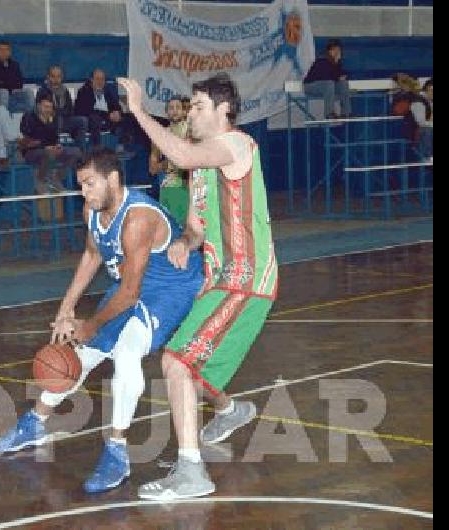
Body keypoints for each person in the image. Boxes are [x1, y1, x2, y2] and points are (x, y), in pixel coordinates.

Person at [0, 147, 205, 494]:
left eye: (89, 184)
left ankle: (117, 450)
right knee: (81, 354)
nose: (83, 192)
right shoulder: (93, 210)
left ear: (113, 179)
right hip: (134, 283)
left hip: (170, 287)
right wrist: (65, 310)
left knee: (127, 352)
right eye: (81, 185)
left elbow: (131, 293)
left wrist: (89, 325)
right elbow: (91, 255)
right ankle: (35, 423)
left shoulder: (138, 219)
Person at [118, 73, 278, 500]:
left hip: (245, 278)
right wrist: (186, 244)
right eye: (189, 106)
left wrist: (137, 110)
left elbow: (183, 154)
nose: (191, 113)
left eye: (198, 106)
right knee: (192, 360)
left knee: (176, 362)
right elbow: (196, 226)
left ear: (224, 111)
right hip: (217, 278)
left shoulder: (237, 145)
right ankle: (230, 409)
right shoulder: (204, 172)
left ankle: (192, 472)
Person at [19, 95, 82, 193]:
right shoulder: (28, 117)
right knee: (50, 153)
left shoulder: (54, 119)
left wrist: (57, 145)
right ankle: (40, 180)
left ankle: (57, 177)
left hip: (50, 150)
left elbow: (54, 138)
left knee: (76, 152)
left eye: (50, 107)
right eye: (45, 107)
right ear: (39, 106)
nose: (48, 110)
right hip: (31, 152)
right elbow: (26, 140)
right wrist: (45, 147)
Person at [149, 96, 192, 226]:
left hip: (191, 186)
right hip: (170, 188)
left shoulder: (193, 132)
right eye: (171, 108)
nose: (174, 111)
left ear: (184, 111)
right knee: (171, 231)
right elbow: (152, 169)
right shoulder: (160, 135)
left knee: (191, 232)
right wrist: (169, 163)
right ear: (166, 113)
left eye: (178, 107)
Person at [36, 65, 88, 148]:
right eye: (53, 76)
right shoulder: (43, 91)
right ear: (48, 77)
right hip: (50, 122)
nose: (56, 80)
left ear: (62, 77)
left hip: (64, 120)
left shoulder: (65, 90)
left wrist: (57, 111)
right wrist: (57, 112)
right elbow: (42, 112)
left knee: (82, 121)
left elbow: (70, 110)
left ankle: (80, 151)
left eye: (58, 76)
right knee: (52, 120)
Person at [0, 41, 35, 114]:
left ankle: (30, 117)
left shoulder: (14, 65)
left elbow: (19, 83)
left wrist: (5, 83)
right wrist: (7, 84)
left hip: (11, 93)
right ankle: (3, 117)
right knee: (3, 92)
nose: (3, 52)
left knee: (28, 92)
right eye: (1, 50)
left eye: (6, 50)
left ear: (10, 52)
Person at [302, 39, 352, 119]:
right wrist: (338, 75)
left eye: (338, 50)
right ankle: (329, 113)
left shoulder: (336, 63)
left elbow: (340, 76)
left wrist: (340, 72)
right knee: (329, 84)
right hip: (310, 86)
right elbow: (326, 77)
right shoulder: (322, 60)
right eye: (334, 50)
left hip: (326, 86)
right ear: (329, 51)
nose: (336, 52)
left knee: (344, 84)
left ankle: (346, 112)